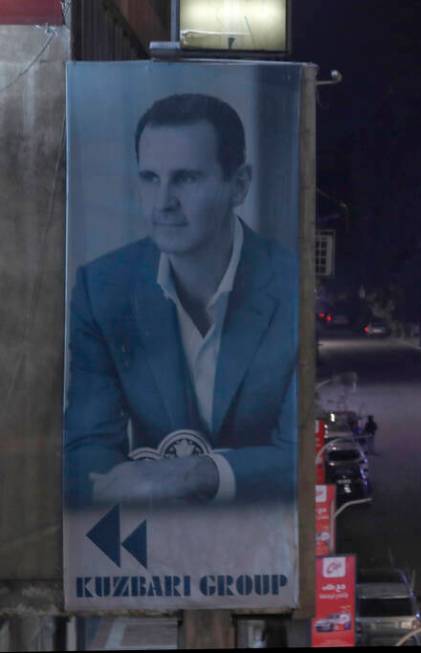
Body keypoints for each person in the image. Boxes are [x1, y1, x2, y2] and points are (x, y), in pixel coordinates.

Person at [64, 93, 298, 508]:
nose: (163, 202)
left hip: (267, 548)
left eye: (186, 178)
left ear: (239, 185)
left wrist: (201, 473)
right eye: (150, 178)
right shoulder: (102, 289)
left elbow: (299, 455)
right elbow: (87, 447)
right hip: (149, 548)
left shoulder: (293, 285)